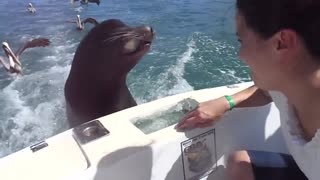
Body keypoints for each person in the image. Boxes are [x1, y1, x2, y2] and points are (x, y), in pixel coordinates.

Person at [177, 0, 320, 179]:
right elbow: (266, 92)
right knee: (241, 164)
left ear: (282, 43)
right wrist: (226, 102)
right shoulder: (292, 80)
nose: (240, 54)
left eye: (241, 40)